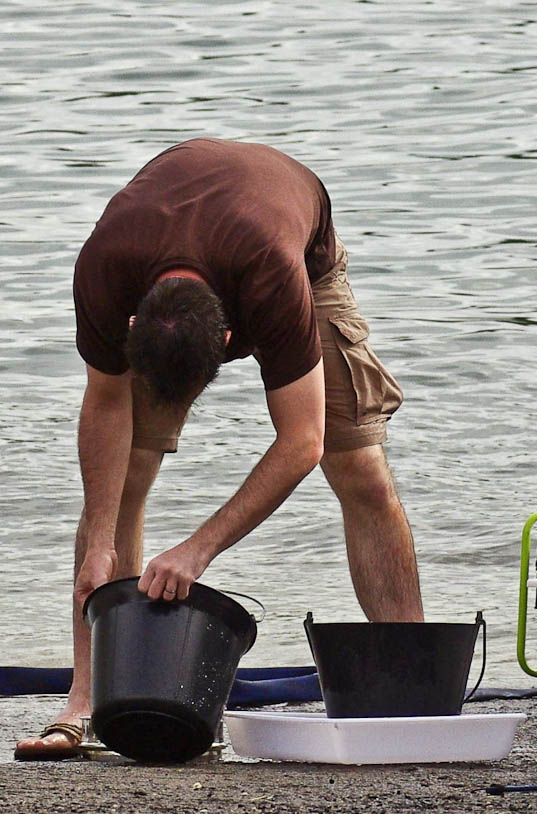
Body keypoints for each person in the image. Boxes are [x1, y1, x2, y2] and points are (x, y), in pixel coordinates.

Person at [14, 138, 424, 760]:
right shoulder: (104, 270)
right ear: (132, 326)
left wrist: (197, 551)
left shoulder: (273, 281)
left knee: (358, 468)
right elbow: (104, 403)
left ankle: (414, 692)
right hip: (181, 241)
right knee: (123, 481)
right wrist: (99, 540)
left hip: (300, 255)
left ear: (235, 338)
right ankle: (85, 703)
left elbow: (301, 443)